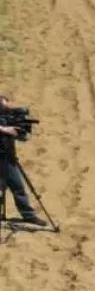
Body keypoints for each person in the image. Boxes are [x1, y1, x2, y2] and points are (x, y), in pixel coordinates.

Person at [0, 95, 46, 227]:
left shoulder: (9, 118)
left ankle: (29, 215)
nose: (6, 108)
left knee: (17, 187)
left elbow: (24, 136)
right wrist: (3, 129)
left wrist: (16, 132)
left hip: (8, 157)